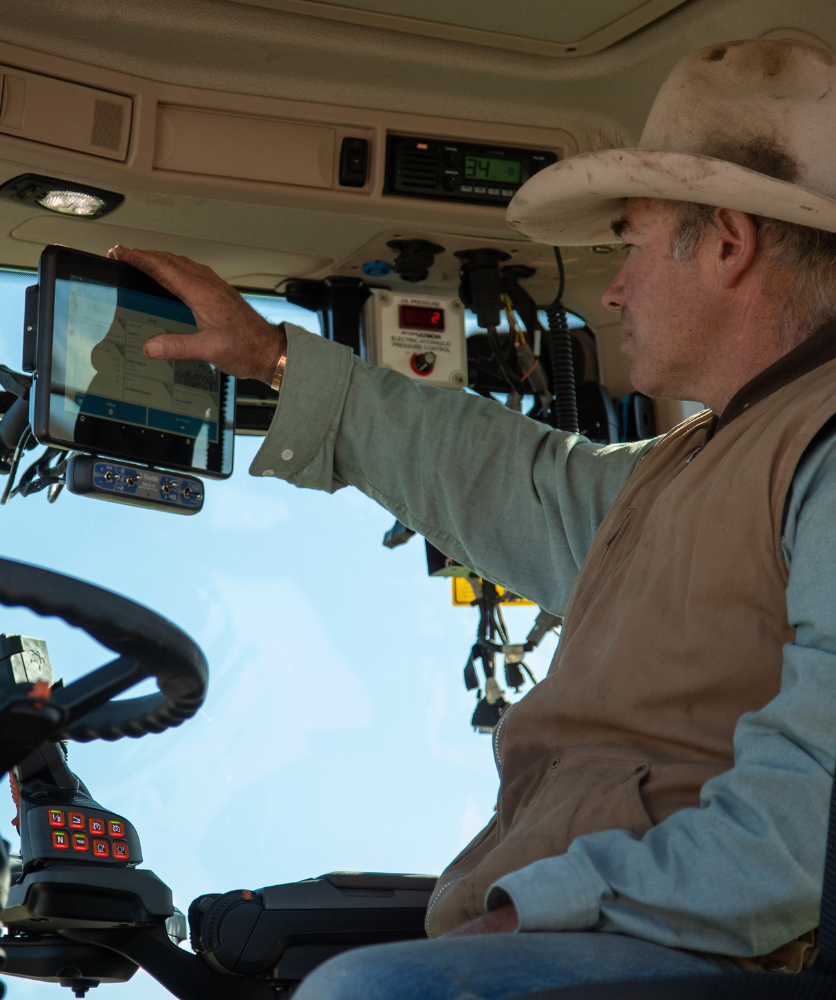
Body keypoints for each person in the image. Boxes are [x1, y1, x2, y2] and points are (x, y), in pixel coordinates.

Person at [110, 38, 836, 999]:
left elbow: (815, 797)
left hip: (693, 953)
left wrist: (545, 907)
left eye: (631, 243)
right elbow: (509, 482)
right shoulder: (691, 466)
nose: (614, 288)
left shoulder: (819, 441)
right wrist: (276, 358)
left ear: (731, 246)